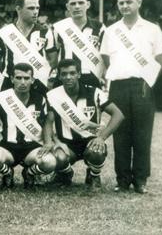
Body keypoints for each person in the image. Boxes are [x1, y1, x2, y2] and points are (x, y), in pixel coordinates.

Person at [100, 0, 162, 194]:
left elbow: (161, 60)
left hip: (142, 85)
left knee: (142, 134)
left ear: (139, 2)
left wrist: (147, 79)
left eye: (129, 2)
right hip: (118, 85)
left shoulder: (152, 29)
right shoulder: (111, 30)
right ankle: (122, 179)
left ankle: (140, 180)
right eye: (121, 3)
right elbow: (105, 57)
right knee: (120, 134)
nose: (125, 6)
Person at [47, 59, 124, 189]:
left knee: (96, 152)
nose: (68, 77)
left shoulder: (95, 92)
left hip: (91, 141)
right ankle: (65, 174)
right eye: (64, 74)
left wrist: (101, 137)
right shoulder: (54, 95)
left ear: (79, 74)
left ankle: (94, 175)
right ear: (59, 76)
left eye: (72, 73)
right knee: (57, 157)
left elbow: (118, 115)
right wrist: (55, 142)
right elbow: (48, 122)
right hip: (67, 144)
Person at [0, 63, 56, 188]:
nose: (23, 82)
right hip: (7, 147)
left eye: (26, 78)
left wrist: (48, 141)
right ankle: (8, 173)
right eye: (18, 78)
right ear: (12, 79)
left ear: (32, 80)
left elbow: (47, 122)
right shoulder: (1, 98)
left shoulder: (40, 99)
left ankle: (29, 173)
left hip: (32, 147)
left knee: (49, 163)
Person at [0, 0, 55, 96]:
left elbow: (53, 61)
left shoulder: (46, 32)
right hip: (10, 83)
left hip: (38, 83)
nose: (35, 12)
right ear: (18, 9)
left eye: (37, 8)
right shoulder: (5, 32)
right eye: (31, 8)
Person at [46, 0, 106, 88]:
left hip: (91, 77)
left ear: (88, 4)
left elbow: (104, 54)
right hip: (65, 78)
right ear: (67, 7)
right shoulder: (58, 28)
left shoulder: (99, 27)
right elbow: (53, 58)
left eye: (81, 3)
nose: (77, 6)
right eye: (73, 4)